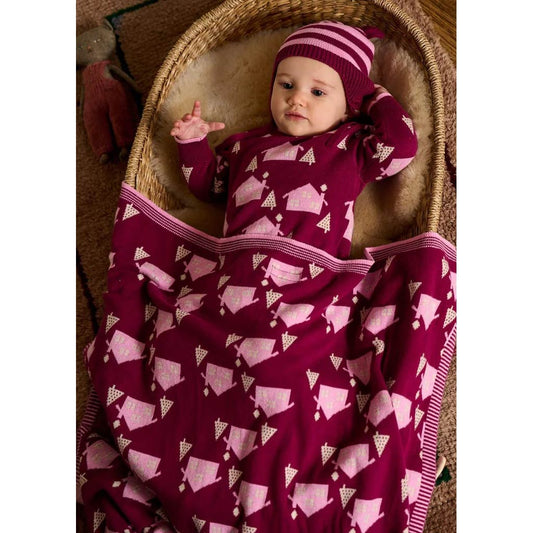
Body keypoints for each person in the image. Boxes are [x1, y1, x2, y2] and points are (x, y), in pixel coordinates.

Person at [170, 20, 418, 259]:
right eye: (287, 85)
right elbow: (209, 187)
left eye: (317, 92)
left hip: (313, 273)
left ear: (348, 107)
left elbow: (402, 146)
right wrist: (192, 142)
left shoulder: (351, 147)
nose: (296, 98)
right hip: (237, 266)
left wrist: (373, 98)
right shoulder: (245, 146)